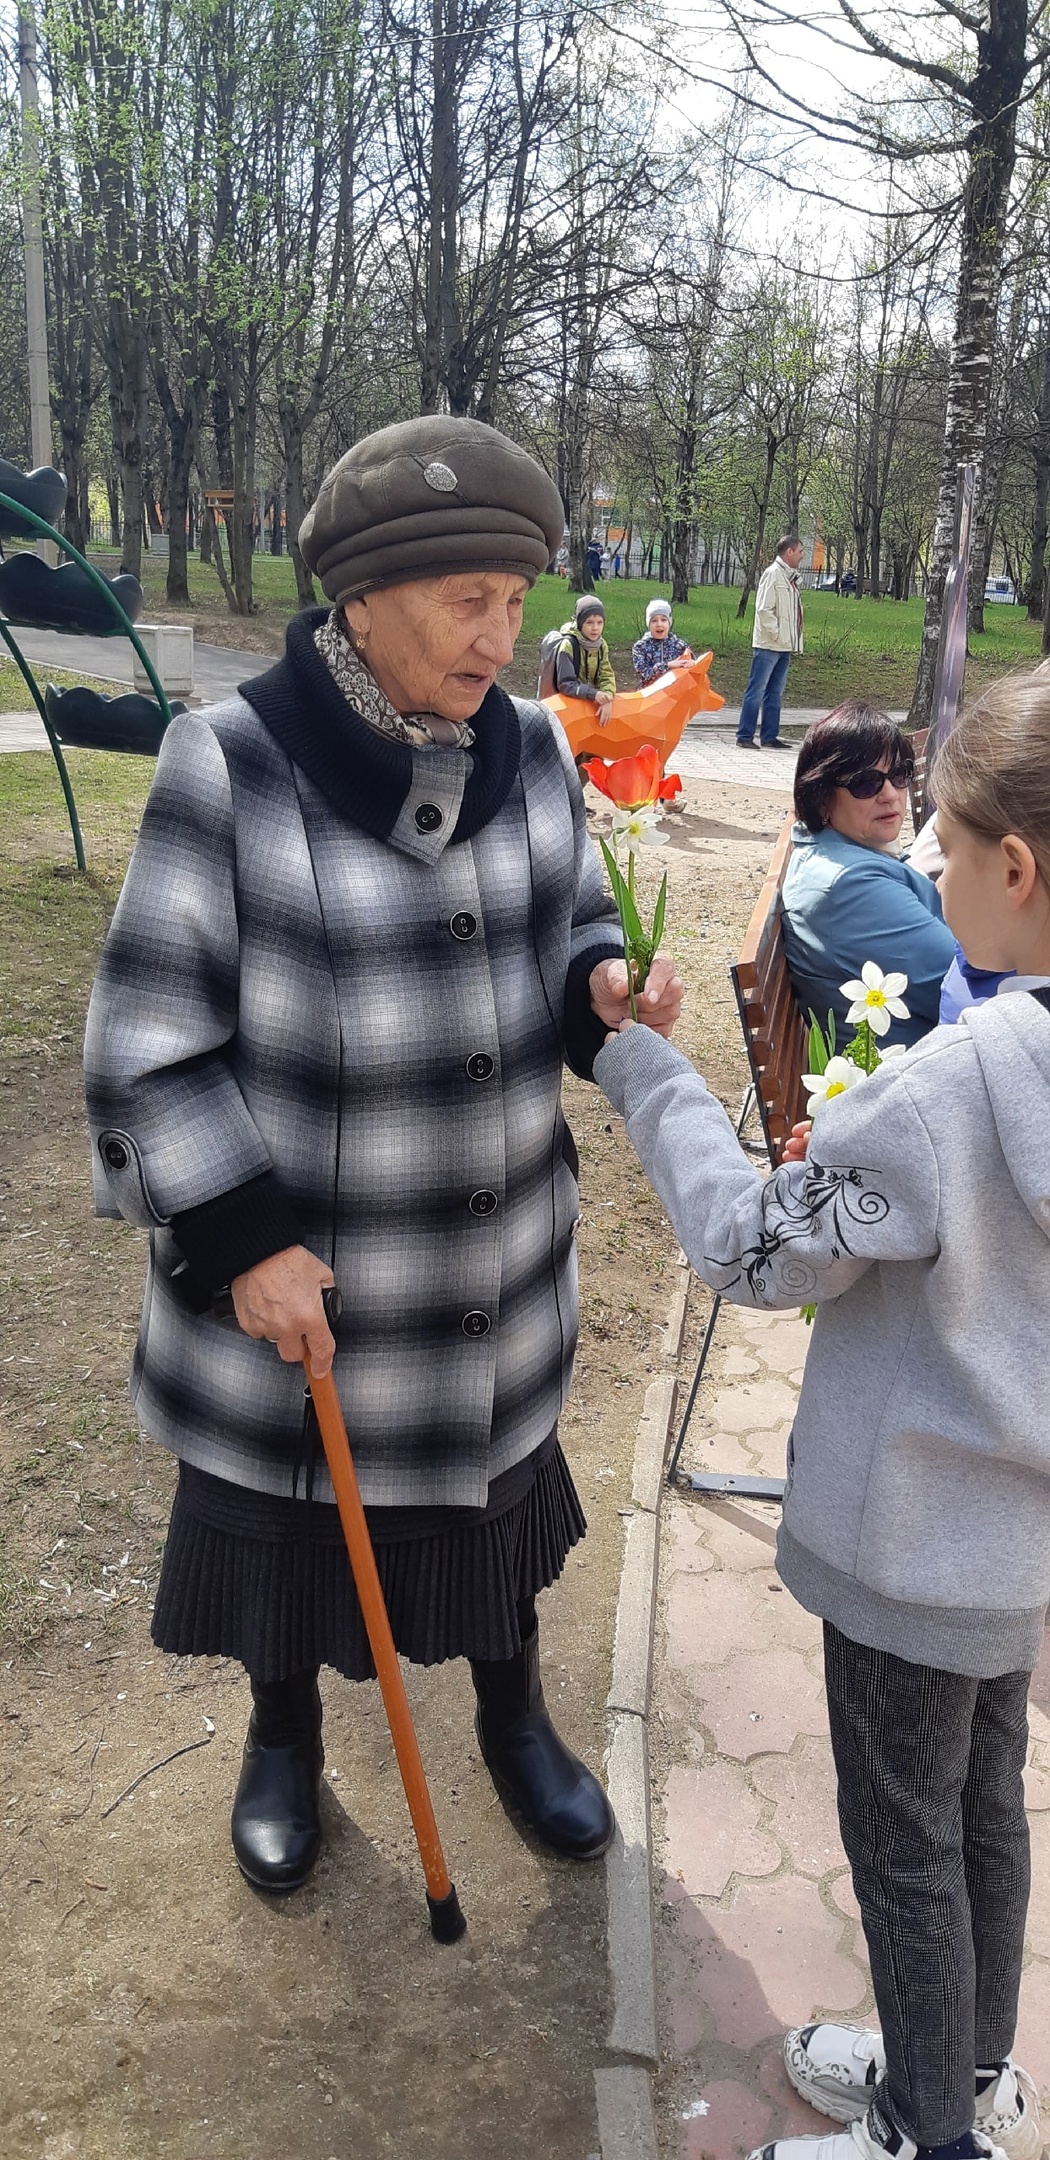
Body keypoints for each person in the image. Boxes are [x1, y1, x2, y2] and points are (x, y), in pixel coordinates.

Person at [84, 414, 683, 1897]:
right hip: (308, 1282)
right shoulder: (230, 763)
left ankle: (511, 1720)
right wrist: (243, 1243)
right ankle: (282, 1737)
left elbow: (570, 929)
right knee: (295, 1529)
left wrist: (599, 990)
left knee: (488, 1515)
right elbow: (148, 1045)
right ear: (360, 600)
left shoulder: (529, 748)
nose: (504, 637)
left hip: (489, 1270)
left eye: (517, 599)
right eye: (469, 600)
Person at [594, 665, 1050, 2160]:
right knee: (982, 1810)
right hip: (1016, 1547)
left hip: (907, 1545)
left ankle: (924, 2134)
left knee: (907, 1846)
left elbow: (750, 1250)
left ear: (1014, 868)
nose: (922, 862)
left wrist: (642, 1069)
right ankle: (965, 2076)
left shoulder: (956, 1086)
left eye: (941, 841)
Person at [782, 702, 956, 1047]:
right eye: (865, 783)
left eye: (899, 775)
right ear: (822, 797)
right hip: (916, 1067)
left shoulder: (844, 852)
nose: (890, 794)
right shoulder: (850, 887)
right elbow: (959, 984)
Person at [736, 533, 805, 748]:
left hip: (784, 645)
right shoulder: (772, 574)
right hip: (769, 644)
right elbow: (764, 609)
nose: (802, 555)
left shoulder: (789, 577)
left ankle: (769, 736)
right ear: (789, 552)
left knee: (775, 692)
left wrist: (788, 638)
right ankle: (744, 736)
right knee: (756, 690)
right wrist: (777, 634)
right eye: (800, 551)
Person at [555, 594, 617, 725]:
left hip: (589, 704)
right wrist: (593, 694)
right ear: (580, 623)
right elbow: (565, 684)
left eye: (599, 622)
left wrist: (607, 697)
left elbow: (606, 675)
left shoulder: (601, 645)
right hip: (567, 707)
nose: (595, 628)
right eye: (589, 622)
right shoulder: (568, 645)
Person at [631, 599, 693, 686]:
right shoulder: (640, 647)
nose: (659, 624)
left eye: (663, 620)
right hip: (650, 692)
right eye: (654, 621)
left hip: (676, 692)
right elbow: (645, 674)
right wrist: (668, 665)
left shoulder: (681, 646)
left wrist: (692, 664)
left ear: (669, 622)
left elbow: (693, 671)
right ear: (648, 624)